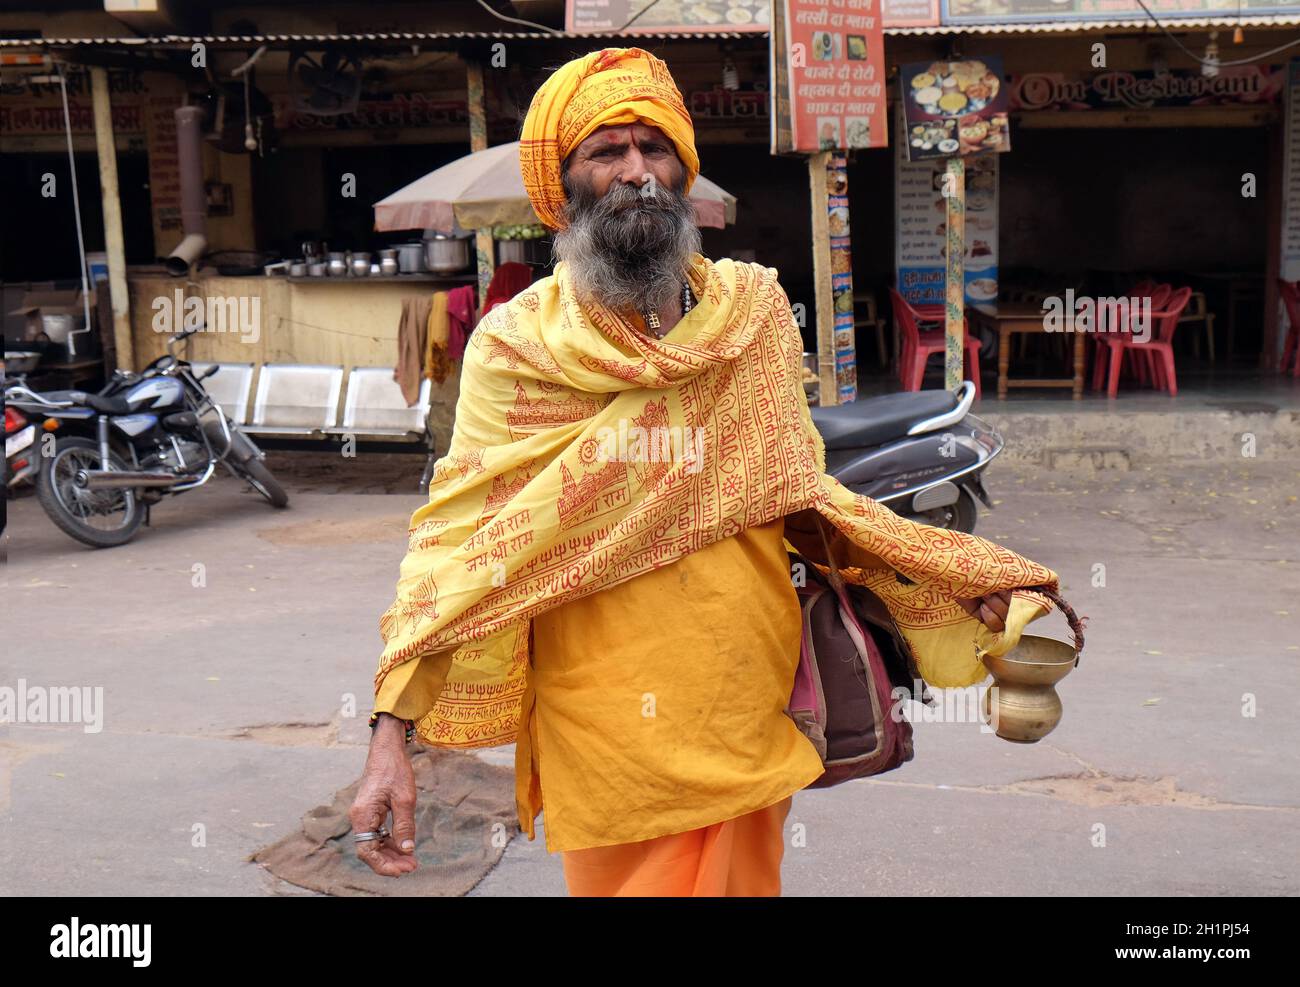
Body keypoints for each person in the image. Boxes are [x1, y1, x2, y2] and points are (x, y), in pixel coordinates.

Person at [350, 48, 1056, 896]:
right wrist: (392, 728)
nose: (637, 173)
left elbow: (803, 497)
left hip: (745, 694)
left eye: (657, 149)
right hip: (604, 721)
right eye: (605, 152)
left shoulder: (751, 316)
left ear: (684, 170)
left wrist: (948, 576)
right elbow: (460, 546)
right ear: (561, 183)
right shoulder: (516, 349)